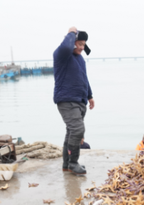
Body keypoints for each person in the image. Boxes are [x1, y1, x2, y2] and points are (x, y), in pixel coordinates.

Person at [53, 26, 94, 176]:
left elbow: (84, 78)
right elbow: (65, 47)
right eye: (79, 44)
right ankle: (73, 163)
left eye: (84, 45)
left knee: (71, 132)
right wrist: (71, 33)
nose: (82, 48)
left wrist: (90, 96)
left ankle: (66, 164)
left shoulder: (80, 59)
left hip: (80, 101)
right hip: (66, 99)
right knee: (78, 130)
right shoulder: (62, 55)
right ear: (72, 42)